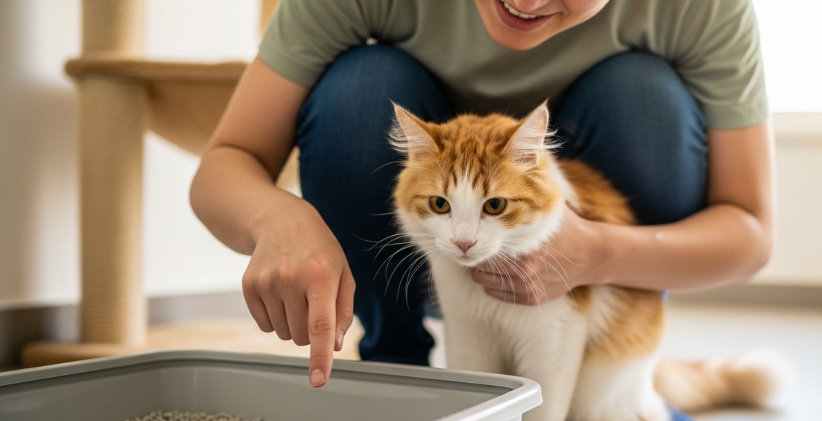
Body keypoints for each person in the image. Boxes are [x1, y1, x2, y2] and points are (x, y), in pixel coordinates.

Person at [190, 0, 775, 388]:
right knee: (359, 83)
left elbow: (749, 233)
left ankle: (617, 381)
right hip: (419, 260)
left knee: (647, 96)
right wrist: (279, 218)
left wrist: (598, 250)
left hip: (577, 281)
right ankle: (398, 369)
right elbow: (226, 161)